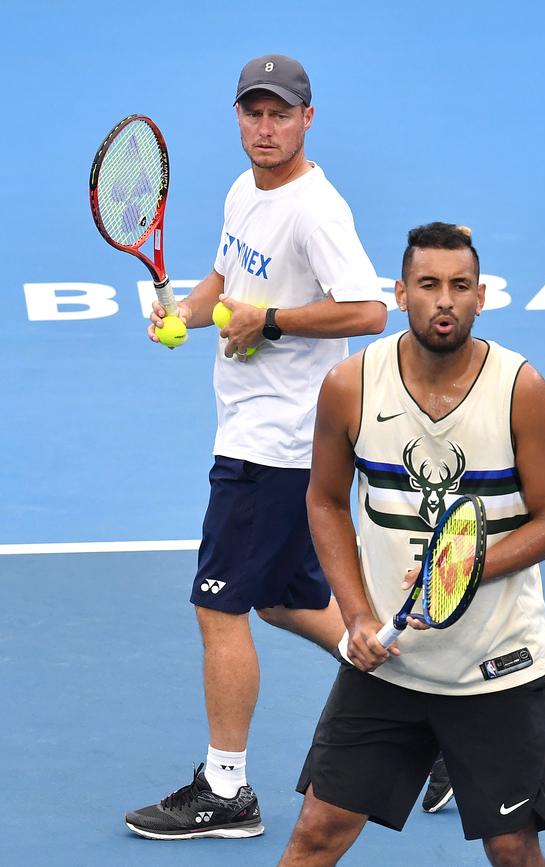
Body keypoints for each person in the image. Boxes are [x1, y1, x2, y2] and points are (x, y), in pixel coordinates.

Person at [124, 54, 387, 841]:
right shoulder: (246, 190)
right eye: (253, 113)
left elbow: (369, 311)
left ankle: (226, 787)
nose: (265, 128)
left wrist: (269, 322)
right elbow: (221, 279)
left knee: (219, 605)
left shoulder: (316, 209)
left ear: (309, 119)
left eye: (280, 115)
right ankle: (421, 705)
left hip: (275, 442)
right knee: (287, 600)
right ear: (239, 116)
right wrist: (188, 314)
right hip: (262, 433)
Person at [279, 222, 545, 866]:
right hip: (390, 665)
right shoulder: (351, 385)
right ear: (401, 293)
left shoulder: (521, 391)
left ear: (481, 296)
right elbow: (324, 502)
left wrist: (461, 571)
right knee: (317, 831)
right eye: (429, 284)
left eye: (460, 286)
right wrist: (356, 616)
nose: (445, 299)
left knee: (512, 848)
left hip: (495, 668)